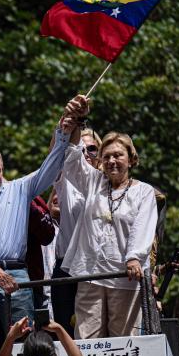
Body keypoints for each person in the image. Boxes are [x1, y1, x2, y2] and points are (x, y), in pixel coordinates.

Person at [0, 124, 72, 351]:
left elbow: (51, 167)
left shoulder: (20, 189)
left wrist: (63, 133)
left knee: (23, 335)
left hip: (16, 271)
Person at [61, 95, 158, 338]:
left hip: (124, 277)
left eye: (118, 155)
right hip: (91, 274)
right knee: (86, 340)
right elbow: (72, 159)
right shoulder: (94, 181)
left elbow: (142, 227)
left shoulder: (144, 191)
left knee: (123, 344)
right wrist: (77, 121)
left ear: (132, 159)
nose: (112, 160)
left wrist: (134, 258)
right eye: (106, 156)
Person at [50, 127, 101, 336]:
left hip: (97, 267)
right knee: (66, 334)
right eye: (81, 149)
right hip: (66, 267)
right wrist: (69, 123)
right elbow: (55, 152)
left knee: (95, 334)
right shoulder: (66, 180)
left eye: (92, 148)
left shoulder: (107, 184)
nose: (87, 153)